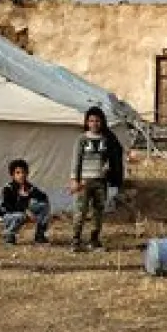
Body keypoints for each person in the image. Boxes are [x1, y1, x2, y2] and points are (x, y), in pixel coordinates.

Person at [69, 105, 124, 251]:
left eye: (97, 121)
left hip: (100, 181)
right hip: (84, 181)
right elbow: (76, 160)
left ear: (102, 122)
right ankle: (76, 241)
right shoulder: (81, 139)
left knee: (98, 212)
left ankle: (94, 240)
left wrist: (109, 169)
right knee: (80, 211)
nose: (94, 124)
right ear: (87, 122)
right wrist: (75, 180)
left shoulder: (107, 140)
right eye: (91, 120)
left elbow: (112, 157)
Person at [0, 158, 51, 245]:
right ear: (12, 175)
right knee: (20, 215)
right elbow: (9, 206)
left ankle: (40, 235)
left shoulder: (28, 187)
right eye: (18, 173)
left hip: (24, 212)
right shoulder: (8, 188)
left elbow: (43, 196)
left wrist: (32, 196)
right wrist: (26, 211)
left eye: (23, 172)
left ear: (27, 173)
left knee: (44, 206)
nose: (21, 175)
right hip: (8, 215)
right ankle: (9, 236)